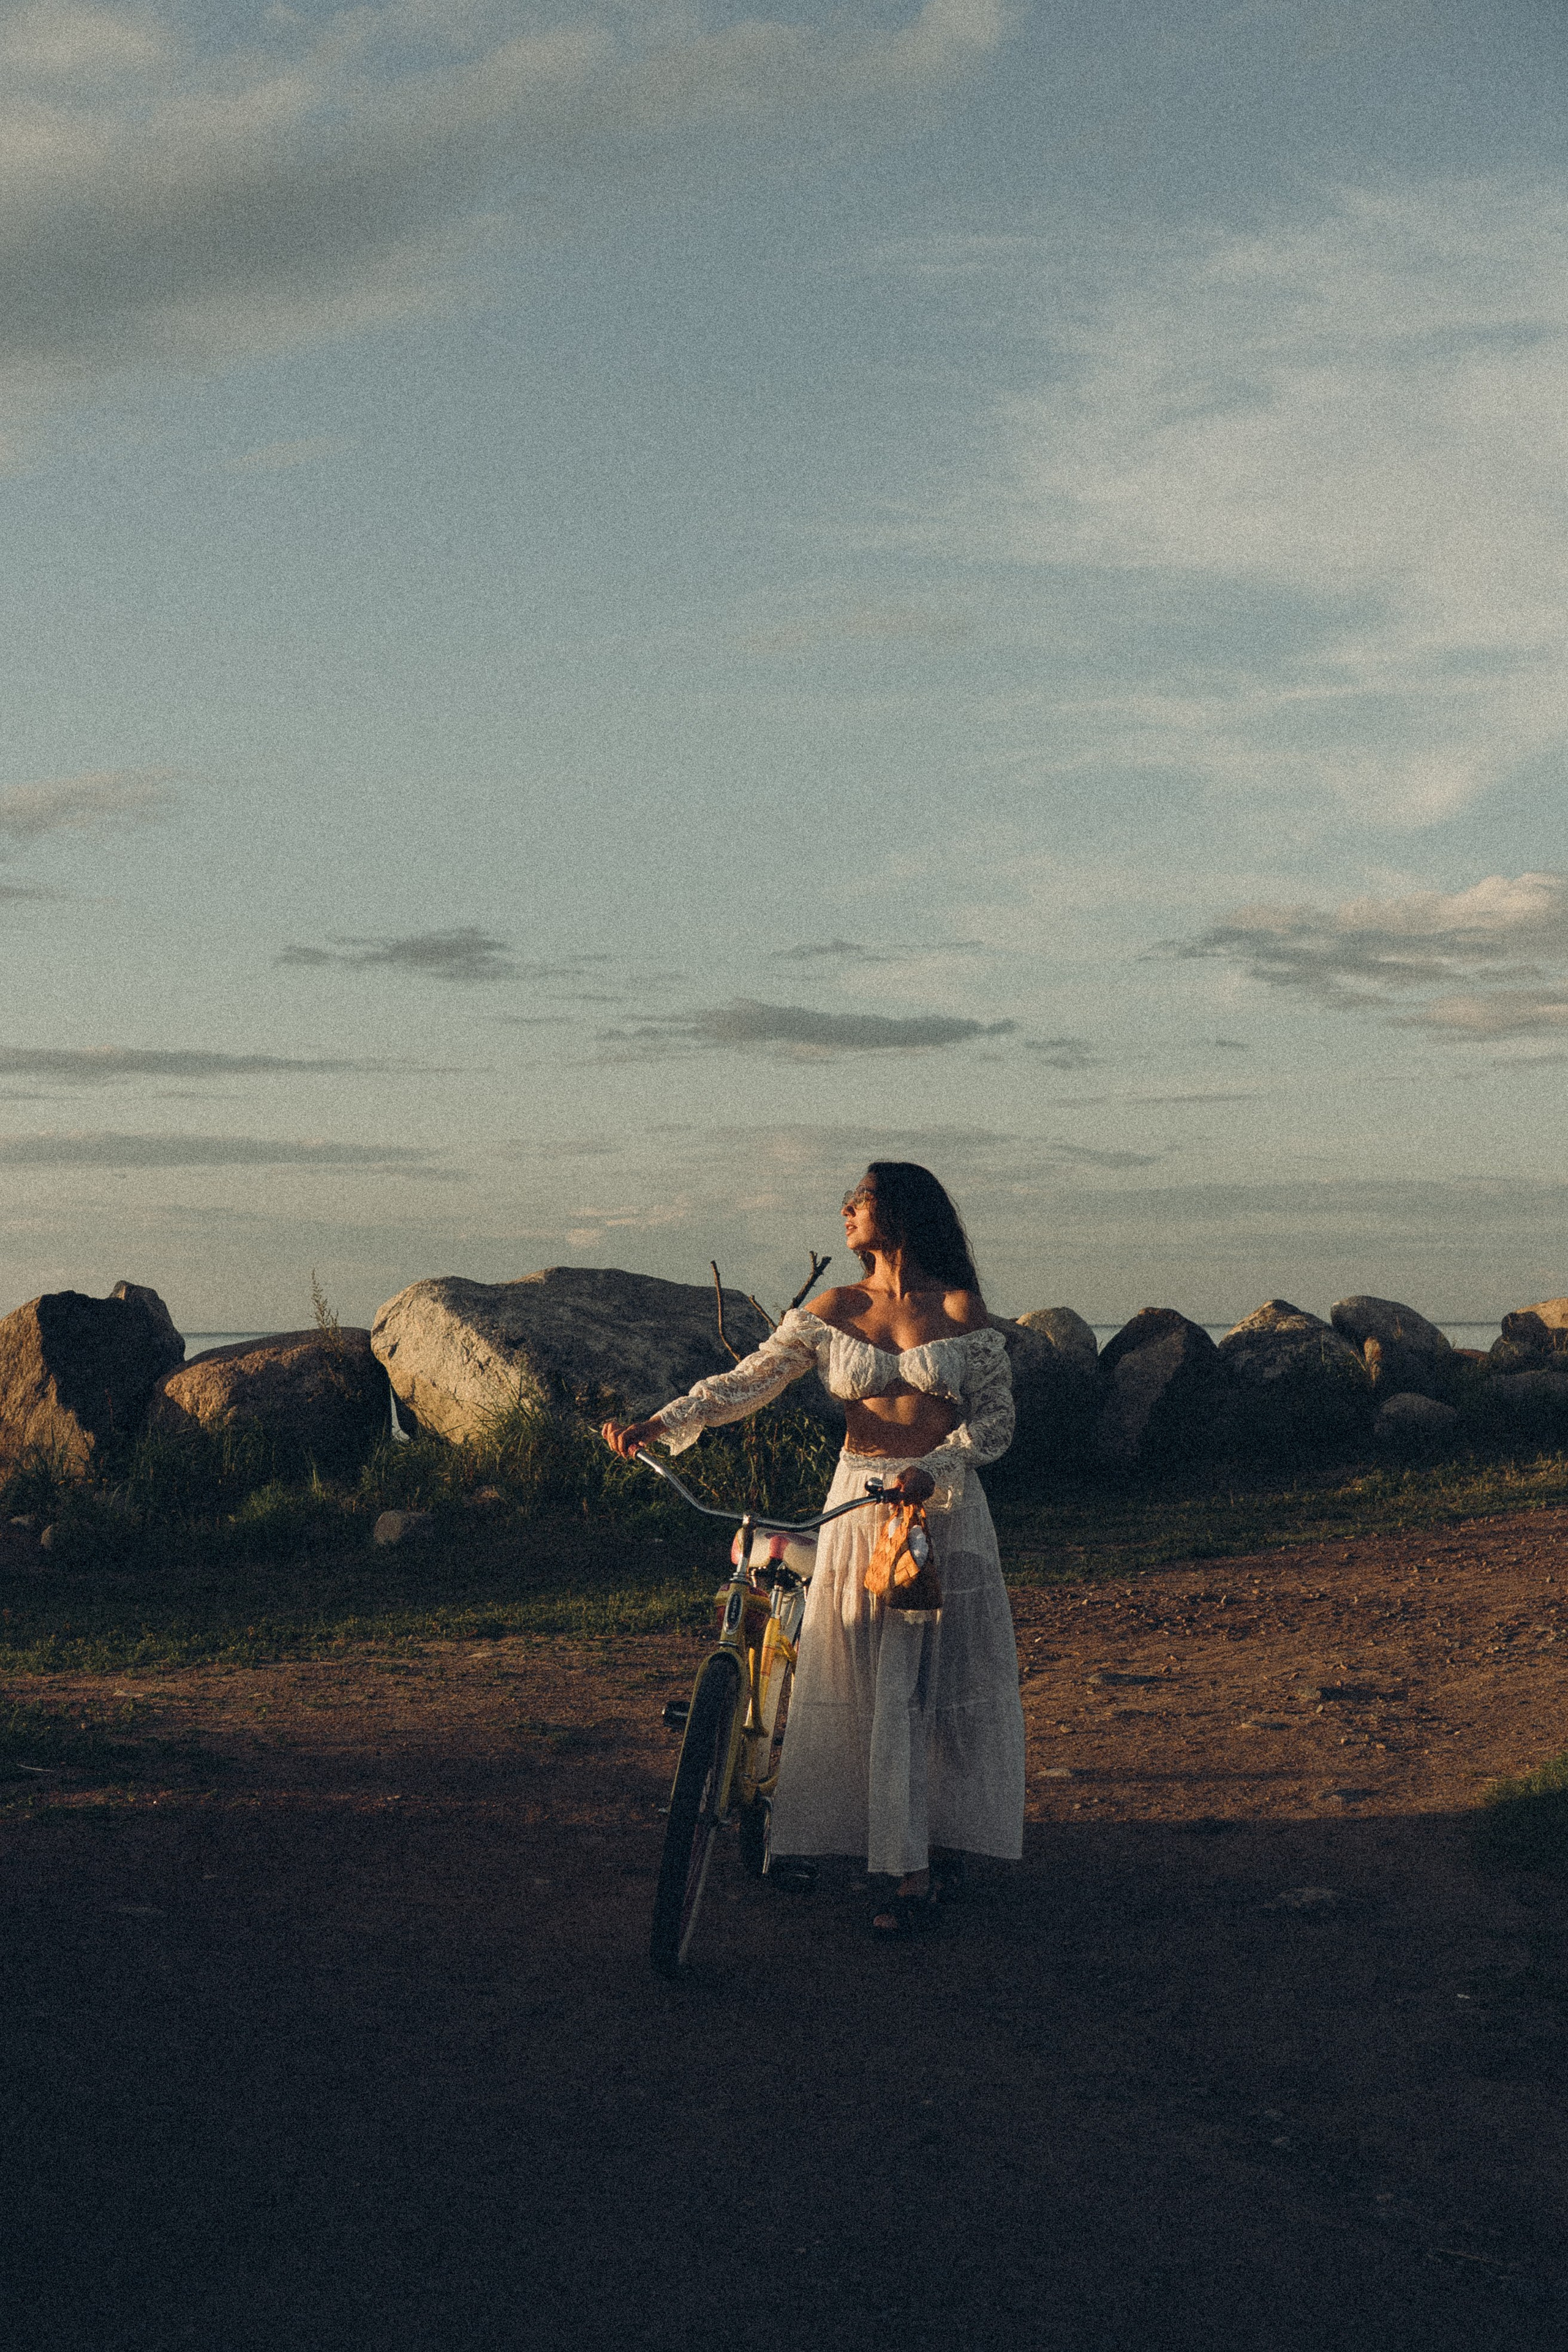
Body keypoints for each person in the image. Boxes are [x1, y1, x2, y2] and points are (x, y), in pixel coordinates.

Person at [603, 1161, 1025, 1937]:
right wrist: (660, 1424)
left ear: (896, 1209)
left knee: (925, 1687)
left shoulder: (960, 1308)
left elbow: (993, 1422)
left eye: (858, 1198)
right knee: (866, 1679)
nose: (845, 1210)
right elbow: (745, 1381)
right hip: (858, 1505)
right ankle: (893, 1855)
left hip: (943, 1509)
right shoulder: (834, 1308)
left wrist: (929, 1472)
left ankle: (914, 1870)